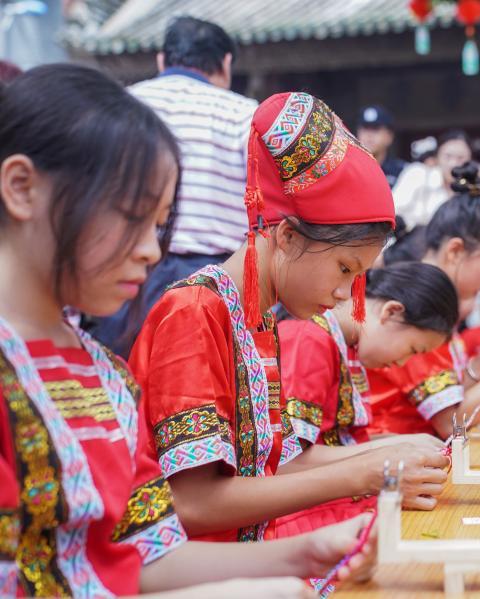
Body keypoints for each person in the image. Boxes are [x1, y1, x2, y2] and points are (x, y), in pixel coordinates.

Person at [0, 63, 373, 599]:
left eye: (158, 225)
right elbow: (189, 508)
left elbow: (144, 556)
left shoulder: (104, 374)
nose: (151, 251)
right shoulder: (192, 312)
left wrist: (308, 552)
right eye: (129, 217)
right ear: (21, 188)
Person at [129, 91, 422, 543]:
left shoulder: (258, 319)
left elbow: (268, 468)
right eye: (345, 268)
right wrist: (362, 473)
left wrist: (377, 459)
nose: (344, 294)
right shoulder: (194, 312)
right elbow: (193, 503)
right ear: (287, 236)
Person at [88, 17, 259, 358]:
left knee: (121, 373)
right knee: (196, 383)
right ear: (225, 63)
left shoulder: (122, 104)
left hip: (126, 271)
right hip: (213, 279)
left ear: (161, 60)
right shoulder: (245, 115)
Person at [274, 262, 459, 536]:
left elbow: (335, 440)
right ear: (391, 312)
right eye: (412, 349)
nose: (403, 363)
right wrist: (391, 448)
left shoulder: (344, 344)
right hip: (302, 516)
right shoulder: (308, 338)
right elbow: (286, 460)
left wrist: (401, 443)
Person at [369, 163, 480, 438]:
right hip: (394, 450)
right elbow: (450, 423)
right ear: (455, 251)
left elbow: (445, 400)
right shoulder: (417, 302)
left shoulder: (434, 298)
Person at [392, 130, 472, 227]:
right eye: (448, 156)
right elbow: (393, 211)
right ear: (437, 157)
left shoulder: (472, 188)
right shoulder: (417, 174)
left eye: (460, 158)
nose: (453, 163)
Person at [357, 104, 407, 188]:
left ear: (389, 137)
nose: (369, 135)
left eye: (375, 129)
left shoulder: (403, 172)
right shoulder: (348, 169)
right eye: (365, 128)